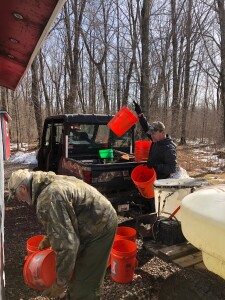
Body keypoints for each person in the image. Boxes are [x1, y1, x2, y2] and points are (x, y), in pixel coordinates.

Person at [8, 169, 118, 299]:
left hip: (100, 227)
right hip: (90, 220)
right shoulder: (46, 182)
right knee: (74, 270)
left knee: (84, 285)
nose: (18, 199)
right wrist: (50, 237)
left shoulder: (48, 199)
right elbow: (66, 214)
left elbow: (68, 246)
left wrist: (60, 283)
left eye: (16, 195)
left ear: (23, 188)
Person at [133, 101, 177, 179]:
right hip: (152, 176)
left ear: (162, 132)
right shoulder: (156, 140)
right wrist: (140, 115)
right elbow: (146, 127)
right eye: (151, 133)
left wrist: (155, 166)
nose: (151, 135)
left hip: (161, 182)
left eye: (153, 133)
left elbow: (172, 168)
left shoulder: (169, 148)